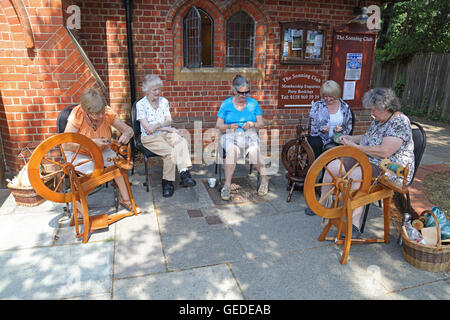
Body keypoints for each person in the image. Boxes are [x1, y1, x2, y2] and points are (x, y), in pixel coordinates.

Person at [306, 88, 415, 238]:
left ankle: (354, 225)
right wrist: (350, 138)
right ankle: (323, 205)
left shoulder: (400, 122)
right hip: (367, 158)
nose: (372, 113)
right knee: (332, 166)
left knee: (356, 175)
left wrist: (356, 148)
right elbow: (367, 137)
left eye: (374, 109)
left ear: (386, 108)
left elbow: (384, 151)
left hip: (390, 168)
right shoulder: (380, 120)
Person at [64, 88, 141, 213]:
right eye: (95, 114)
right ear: (86, 111)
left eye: (101, 112)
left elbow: (129, 130)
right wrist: (92, 143)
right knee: (91, 175)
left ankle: (126, 200)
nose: (100, 116)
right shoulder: (77, 114)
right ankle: (79, 211)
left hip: (102, 151)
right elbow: (66, 145)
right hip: (78, 153)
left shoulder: (107, 113)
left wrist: (127, 134)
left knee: (119, 167)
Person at [136, 74, 196, 198]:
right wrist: (165, 128)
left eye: (159, 89)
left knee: (181, 141)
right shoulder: (141, 105)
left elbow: (169, 120)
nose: (157, 92)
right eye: (154, 90)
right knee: (170, 152)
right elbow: (148, 129)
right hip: (150, 138)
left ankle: (184, 173)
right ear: (147, 90)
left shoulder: (164, 102)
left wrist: (159, 125)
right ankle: (167, 183)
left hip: (165, 133)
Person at [215, 74, 269, 201]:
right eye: (241, 93)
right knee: (232, 151)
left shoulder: (253, 103)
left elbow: (261, 123)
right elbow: (218, 125)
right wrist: (229, 126)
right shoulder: (226, 104)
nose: (244, 95)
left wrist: (252, 124)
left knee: (254, 152)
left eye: (246, 92)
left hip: (249, 135)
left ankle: (265, 180)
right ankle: (227, 185)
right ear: (234, 91)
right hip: (230, 135)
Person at [307, 80, 353, 159]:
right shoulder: (317, 106)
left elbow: (348, 127)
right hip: (320, 137)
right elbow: (311, 126)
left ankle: (331, 168)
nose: (328, 99)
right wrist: (321, 129)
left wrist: (340, 130)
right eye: (325, 96)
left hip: (337, 137)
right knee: (315, 143)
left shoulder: (345, 107)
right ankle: (317, 166)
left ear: (336, 94)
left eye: (331, 96)